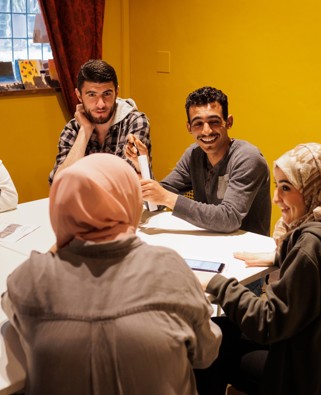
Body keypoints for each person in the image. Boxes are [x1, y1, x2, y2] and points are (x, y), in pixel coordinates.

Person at [2, 153, 222, 395]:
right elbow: (205, 354)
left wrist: (64, 239)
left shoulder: (32, 277)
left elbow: (8, 302)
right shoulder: (169, 267)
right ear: (131, 200)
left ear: (59, 206)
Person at [194, 143, 321, 395]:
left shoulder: (312, 246)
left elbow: (267, 324)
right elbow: (319, 273)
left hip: (316, 382)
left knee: (209, 340)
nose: (275, 199)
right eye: (276, 186)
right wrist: (281, 255)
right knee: (222, 328)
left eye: (286, 188)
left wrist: (217, 283)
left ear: (316, 189)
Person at [125, 86, 271, 236]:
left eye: (214, 122)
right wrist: (142, 165)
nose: (206, 131)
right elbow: (156, 202)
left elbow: (228, 219)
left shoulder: (247, 157)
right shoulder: (194, 154)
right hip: (207, 243)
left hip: (248, 251)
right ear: (189, 127)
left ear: (228, 122)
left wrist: (166, 198)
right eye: (198, 124)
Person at [48, 59, 151, 185]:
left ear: (117, 92)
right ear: (79, 95)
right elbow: (59, 184)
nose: (101, 104)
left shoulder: (135, 122)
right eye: (92, 95)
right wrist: (85, 131)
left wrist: (81, 181)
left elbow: (129, 181)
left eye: (107, 94)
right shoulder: (73, 129)